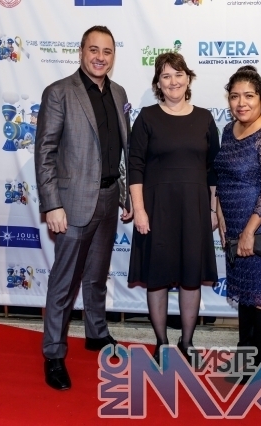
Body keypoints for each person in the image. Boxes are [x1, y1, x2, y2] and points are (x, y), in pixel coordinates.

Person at [35, 25, 132, 391]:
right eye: (94, 49)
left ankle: (96, 332)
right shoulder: (59, 92)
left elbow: (121, 150)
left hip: (109, 197)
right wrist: (52, 204)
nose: (100, 57)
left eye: (107, 51)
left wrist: (125, 195)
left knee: (96, 275)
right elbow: (45, 153)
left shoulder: (118, 93)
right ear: (80, 52)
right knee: (64, 282)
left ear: (113, 56)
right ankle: (53, 353)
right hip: (72, 203)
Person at [128, 52, 219, 364]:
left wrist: (213, 210)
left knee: (191, 277)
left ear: (188, 79)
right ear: (158, 83)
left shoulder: (205, 118)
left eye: (178, 74)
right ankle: (162, 342)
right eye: (166, 76)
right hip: (156, 209)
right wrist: (139, 210)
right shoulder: (147, 118)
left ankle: (187, 342)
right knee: (157, 277)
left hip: (194, 209)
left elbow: (214, 169)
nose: (173, 81)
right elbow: (135, 166)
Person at [214, 66, 261, 374]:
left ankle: (255, 362)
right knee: (245, 294)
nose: (241, 103)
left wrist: (248, 232)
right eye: (234, 96)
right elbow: (222, 177)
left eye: (249, 96)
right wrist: (220, 215)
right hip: (233, 225)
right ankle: (245, 356)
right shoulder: (229, 130)